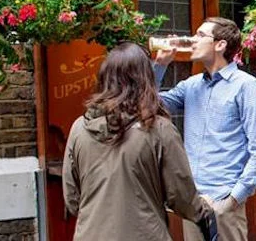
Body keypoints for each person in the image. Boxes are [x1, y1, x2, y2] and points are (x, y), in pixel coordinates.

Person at [63, 42, 217, 241]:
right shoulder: (158, 129)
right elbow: (181, 196)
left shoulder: (79, 128)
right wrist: (204, 210)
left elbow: (72, 199)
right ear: (145, 78)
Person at [154, 17, 256, 241]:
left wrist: (232, 200)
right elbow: (148, 104)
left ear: (220, 45)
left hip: (224, 201)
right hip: (193, 202)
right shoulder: (191, 85)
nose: (193, 39)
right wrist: (160, 65)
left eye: (200, 35)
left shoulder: (246, 86)